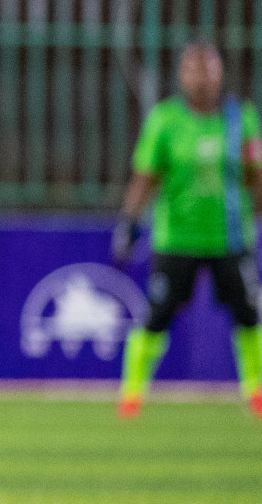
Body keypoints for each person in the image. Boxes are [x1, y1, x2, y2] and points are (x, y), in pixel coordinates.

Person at [112, 42, 262, 419]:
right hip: (175, 238)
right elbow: (145, 176)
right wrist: (129, 222)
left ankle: (257, 392)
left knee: (248, 315)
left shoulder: (239, 119)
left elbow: (254, 177)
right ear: (181, 75)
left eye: (208, 68)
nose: (201, 77)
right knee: (157, 315)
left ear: (221, 73)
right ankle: (132, 393)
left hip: (230, 238)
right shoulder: (165, 120)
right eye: (193, 69)